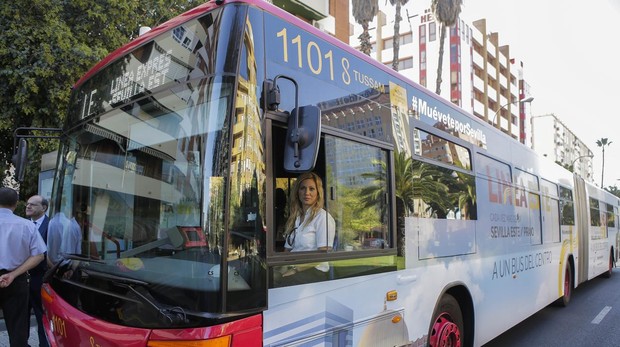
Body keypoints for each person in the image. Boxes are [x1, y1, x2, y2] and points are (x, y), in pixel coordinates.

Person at [0, 187, 46, 347]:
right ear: (16, 204)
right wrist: (13, 274)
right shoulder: (27, 226)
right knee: (18, 328)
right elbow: (39, 255)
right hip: (16, 280)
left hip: (15, 278)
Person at [281, 172, 335, 278]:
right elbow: (287, 250)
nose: (307, 193)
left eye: (311, 189)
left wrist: (295, 270)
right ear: (297, 192)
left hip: (312, 271)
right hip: (293, 268)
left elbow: (323, 254)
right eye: (303, 188)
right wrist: (280, 267)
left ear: (318, 193)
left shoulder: (323, 217)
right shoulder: (295, 217)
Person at [25, 195, 50, 347]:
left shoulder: (51, 225)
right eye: (27, 204)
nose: (28, 206)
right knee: (21, 316)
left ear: (44, 208)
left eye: (33, 205)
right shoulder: (23, 224)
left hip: (40, 278)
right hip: (20, 279)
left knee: (41, 316)